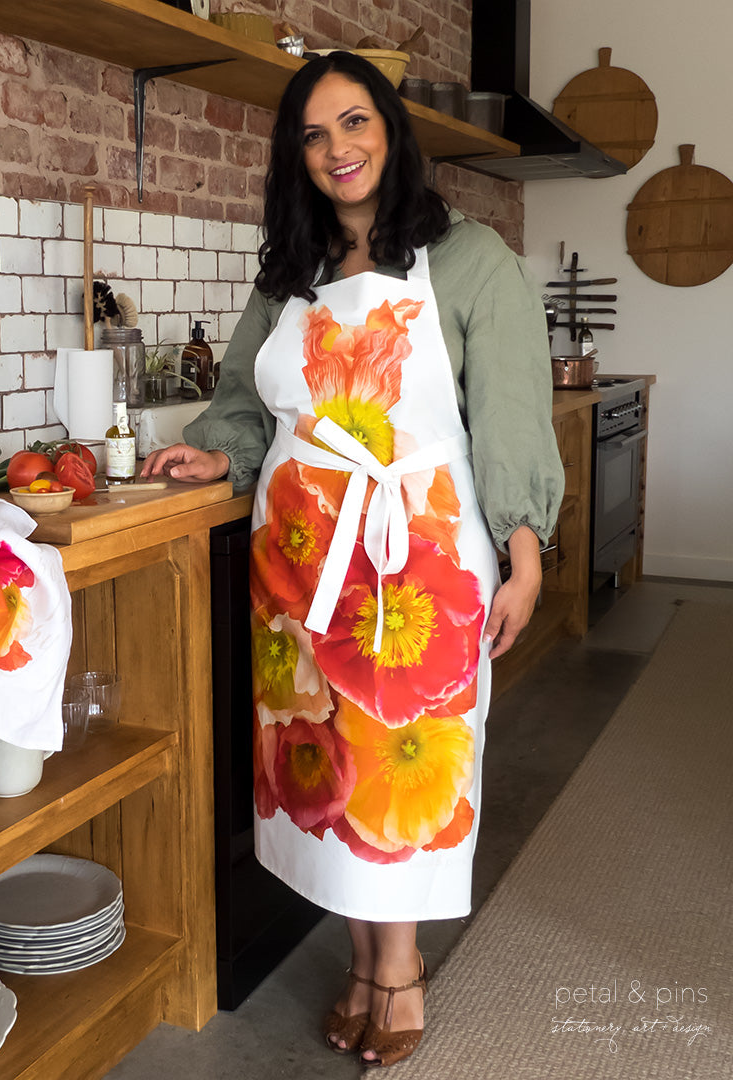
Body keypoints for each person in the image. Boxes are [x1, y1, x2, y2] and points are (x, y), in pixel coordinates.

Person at [142, 52, 563, 1070]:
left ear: (393, 132)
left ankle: (398, 969)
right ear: (298, 157)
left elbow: (509, 415)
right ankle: (364, 962)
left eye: (356, 123)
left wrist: (524, 547)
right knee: (329, 766)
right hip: (299, 570)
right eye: (316, 134)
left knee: (404, 763)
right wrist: (219, 449)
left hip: (419, 560)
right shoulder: (288, 273)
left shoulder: (471, 262)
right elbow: (245, 398)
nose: (340, 150)